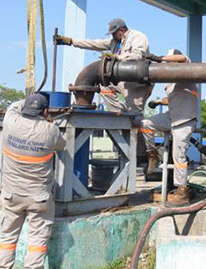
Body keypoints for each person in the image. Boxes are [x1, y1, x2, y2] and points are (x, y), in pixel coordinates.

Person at [54, 18, 159, 171]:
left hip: (138, 84)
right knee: (103, 87)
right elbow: (94, 44)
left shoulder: (138, 37)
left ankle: (150, 154)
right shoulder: (115, 42)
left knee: (137, 118)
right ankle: (121, 114)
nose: (112, 36)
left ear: (122, 30)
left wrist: (118, 58)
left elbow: (138, 55)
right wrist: (71, 41)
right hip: (123, 81)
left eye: (114, 33)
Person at [0, 93, 66, 269]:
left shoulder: (10, 122)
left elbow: (13, 106)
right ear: (45, 111)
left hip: (11, 195)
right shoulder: (51, 131)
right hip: (38, 198)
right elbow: (62, 145)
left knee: (7, 238)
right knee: (37, 241)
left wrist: (29, 100)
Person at [140, 49, 200, 206]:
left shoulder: (187, 71)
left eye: (169, 61)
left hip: (185, 119)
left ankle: (182, 190)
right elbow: (174, 98)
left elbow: (182, 58)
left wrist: (159, 58)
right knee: (146, 124)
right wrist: (158, 102)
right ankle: (152, 155)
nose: (167, 65)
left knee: (179, 155)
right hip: (172, 117)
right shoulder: (170, 81)